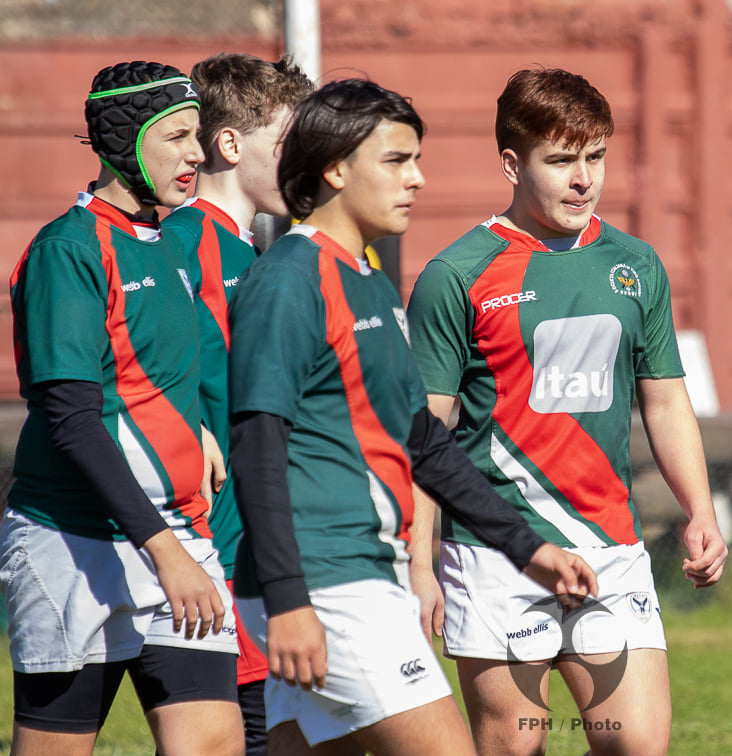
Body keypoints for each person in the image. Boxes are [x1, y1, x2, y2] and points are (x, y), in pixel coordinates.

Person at [225, 78, 599, 756]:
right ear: (335, 169)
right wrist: (288, 600)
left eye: (416, 159)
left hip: (356, 573)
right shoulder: (287, 280)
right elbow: (257, 448)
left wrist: (529, 549)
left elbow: (423, 442)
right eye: (397, 161)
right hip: (326, 583)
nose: (418, 179)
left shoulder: (365, 275)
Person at [405, 67, 728, 756]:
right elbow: (423, 434)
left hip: (611, 548)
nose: (583, 179)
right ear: (511, 163)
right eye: (560, 161)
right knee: (517, 747)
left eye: (595, 157)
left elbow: (665, 399)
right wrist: (421, 563)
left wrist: (700, 510)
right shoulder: (456, 274)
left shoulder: (635, 264)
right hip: (495, 553)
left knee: (636, 745)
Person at [1, 61, 242, 755]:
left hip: (175, 534)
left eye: (198, 135)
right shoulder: (66, 249)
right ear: (123, 142)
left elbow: (143, 369)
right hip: (72, 543)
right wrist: (165, 553)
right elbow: (71, 419)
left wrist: (188, 426)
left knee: (213, 743)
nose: (197, 153)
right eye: (177, 137)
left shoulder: (164, 240)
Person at [161, 52, 314, 756]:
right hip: (209, 548)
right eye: (289, 145)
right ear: (230, 145)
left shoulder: (251, 258)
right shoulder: (183, 244)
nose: (305, 163)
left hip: (249, 543)